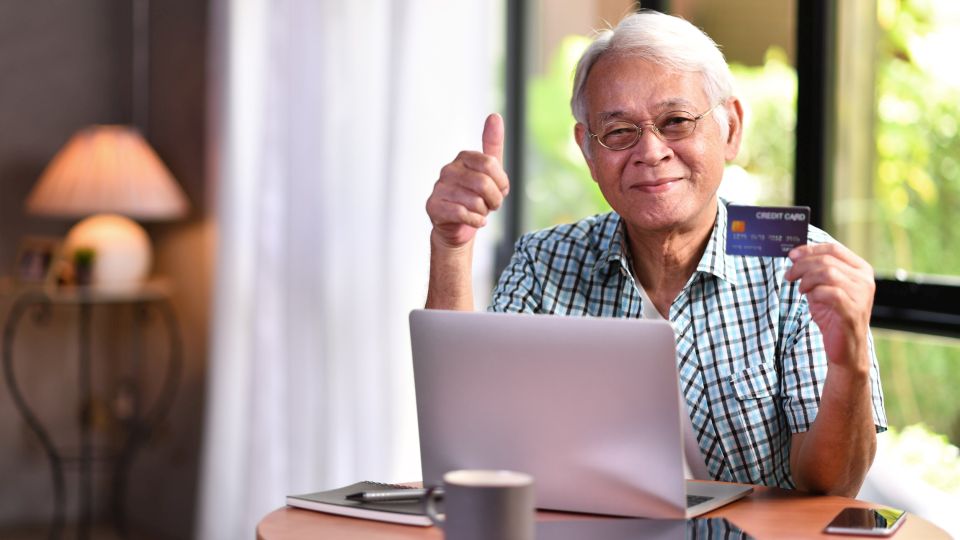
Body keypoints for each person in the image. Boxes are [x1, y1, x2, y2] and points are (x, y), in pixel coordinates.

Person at [424, 10, 885, 496]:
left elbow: (830, 488)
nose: (651, 151)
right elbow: (467, 443)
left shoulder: (802, 265)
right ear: (588, 150)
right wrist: (452, 247)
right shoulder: (543, 262)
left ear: (730, 129)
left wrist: (848, 361)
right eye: (620, 131)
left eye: (676, 122)